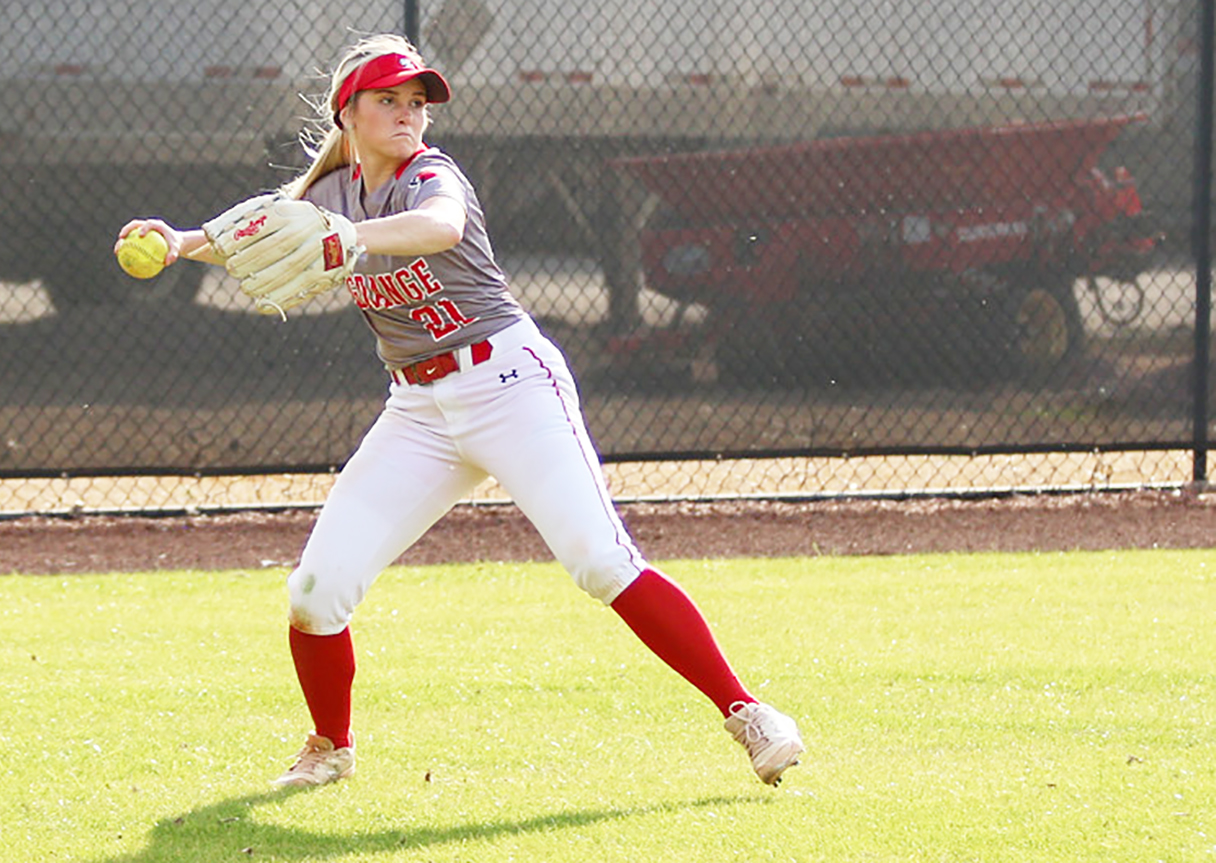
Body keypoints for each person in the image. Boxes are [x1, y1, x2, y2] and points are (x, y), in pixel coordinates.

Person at [116, 33, 805, 789]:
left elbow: (440, 227)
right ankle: (329, 748)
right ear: (349, 111)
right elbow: (256, 234)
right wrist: (180, 242)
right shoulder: (326, 198)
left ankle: (748, 712)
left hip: (511, 384)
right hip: (417, 409)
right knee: (314, 592)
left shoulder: (430, 175)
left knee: (600, 562)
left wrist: (350, 238)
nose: (409, 113)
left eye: (417, 102)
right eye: (388, 99)